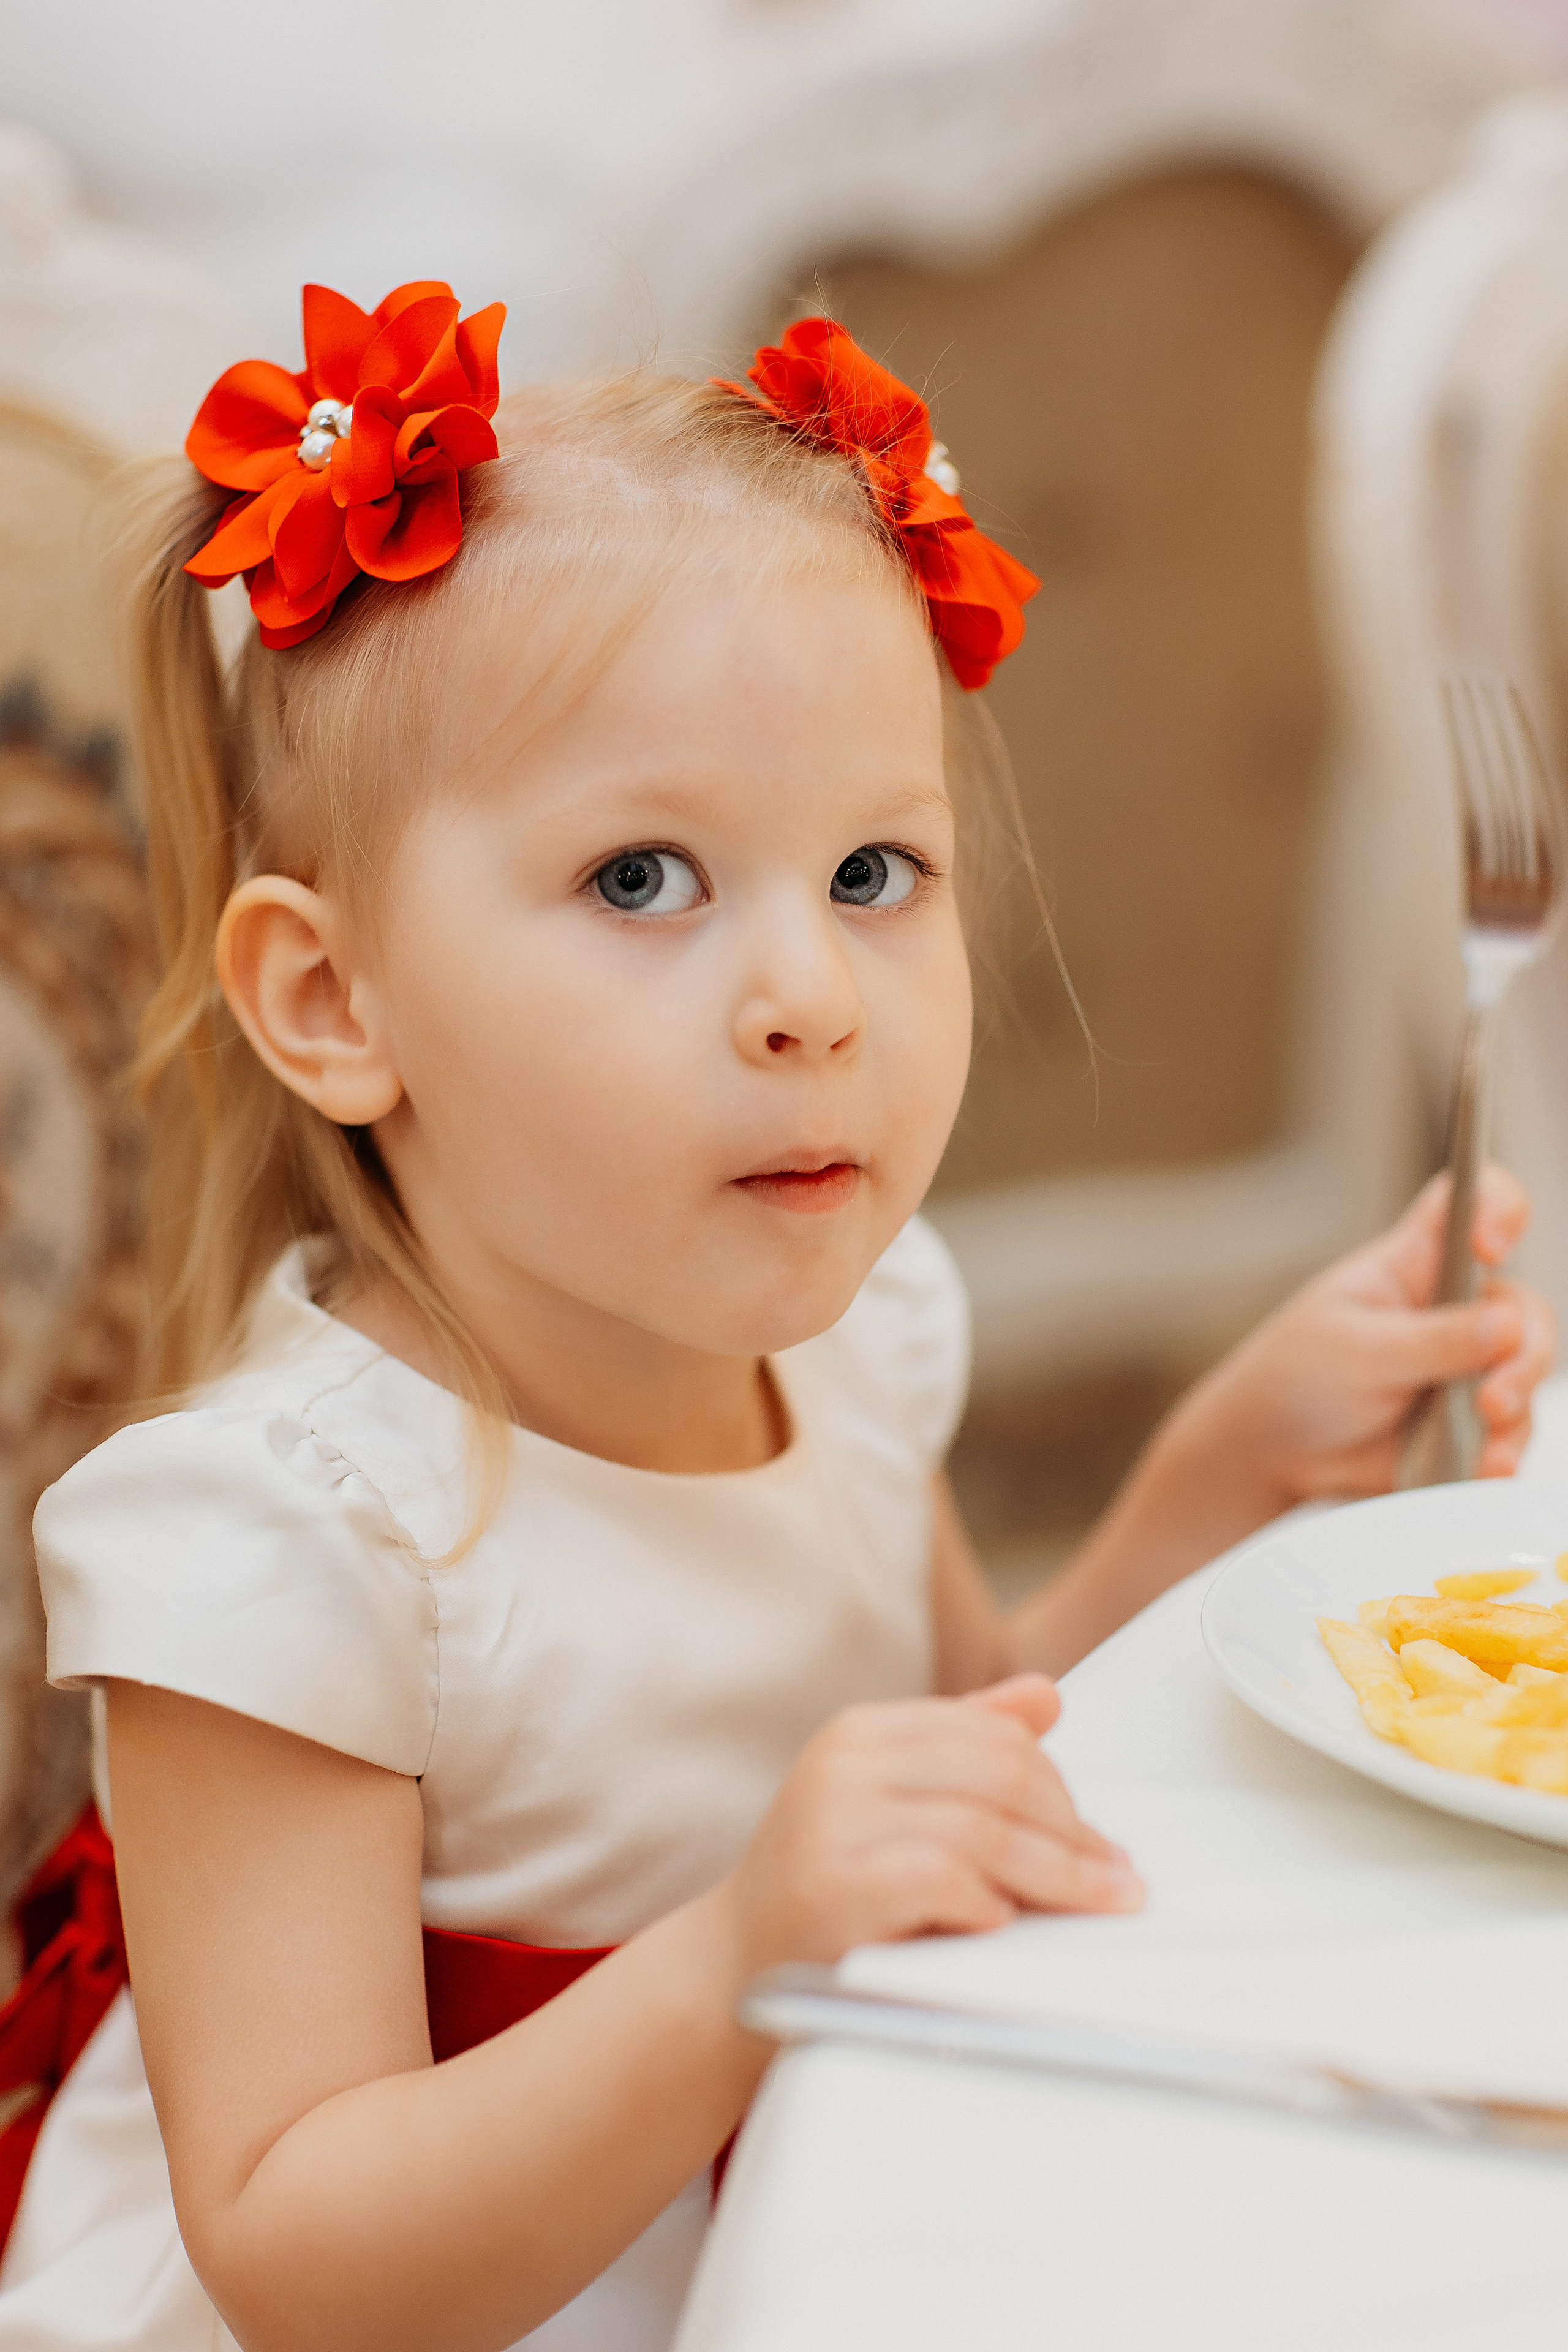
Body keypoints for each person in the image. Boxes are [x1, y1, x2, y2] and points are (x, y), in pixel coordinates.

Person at [9, 285, 1550, 2352]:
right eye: (643, 879)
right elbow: (299, 2251)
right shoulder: (286, 1544)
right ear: (332, 998)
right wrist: (745, 1942)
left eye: (873, 871)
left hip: (782, 2219)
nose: (810, 994)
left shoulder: (845, 1340)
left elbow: (964, 1728)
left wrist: (1230, 1468)